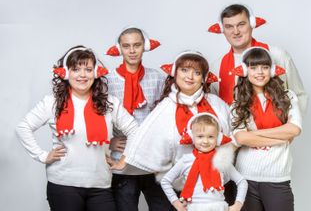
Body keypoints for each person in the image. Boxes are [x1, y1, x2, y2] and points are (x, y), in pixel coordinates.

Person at [16, 46, 138, 211]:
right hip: (63, 184)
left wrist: (124, 161)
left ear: (95, 73)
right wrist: (43, 156)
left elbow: (135, 130)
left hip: (100, 184)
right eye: (76, 69)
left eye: (88, 69)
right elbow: (23, 127)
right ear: (66, 73)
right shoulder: (52, 102)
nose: (82, 75)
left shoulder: (109, 103)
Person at [113, 50, 231, 179]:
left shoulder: (217, 104)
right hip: (181, 185)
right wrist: (123, 163)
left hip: (219, 182)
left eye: (197, 73)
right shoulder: (165, 108)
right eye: (184, 70)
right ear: (175, 73)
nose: (190, 77)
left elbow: (232, 136)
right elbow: (144, 143)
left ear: (203, 79)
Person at [105, 27, 171, 211]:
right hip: (122, 159)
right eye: (126, 46)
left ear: (145, 46)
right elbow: (98, 118)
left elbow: (164, 117)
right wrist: (108, 142)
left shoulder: (157, 77)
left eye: (137, 45)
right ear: (119, 49)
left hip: (152, 159)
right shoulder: (107, 81)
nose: (132, 51)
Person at [231, 47, 302, 211]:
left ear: (272, 70)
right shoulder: (238, 102)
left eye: (264, 67)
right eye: (253, 67)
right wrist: (281, 136)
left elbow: (294, 129)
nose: (260, 72)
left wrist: (253, 134)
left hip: (277, 179)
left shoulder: (287, 96)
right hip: (244, 179)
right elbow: (241, 138)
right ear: (244, 70)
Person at [209, 4, 308, 115]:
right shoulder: (216, 67)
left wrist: (288, 127)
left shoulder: (278, 55)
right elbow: (214, 108)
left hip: (279, 130)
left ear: (252, 24)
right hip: (237, 131)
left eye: (241, 24)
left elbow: (299, 95)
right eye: (229, 26)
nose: (236, 31)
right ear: (222, 30)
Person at [161, 113, 248, 211]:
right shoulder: (186, 160)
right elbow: (165, 181)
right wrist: (176, 204)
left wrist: (238, 205)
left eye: (210, 137)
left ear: (218, 138)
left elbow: (242, 181)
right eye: (200, 136)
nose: (205, 141)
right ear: (192, 137)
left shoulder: (221, 160)